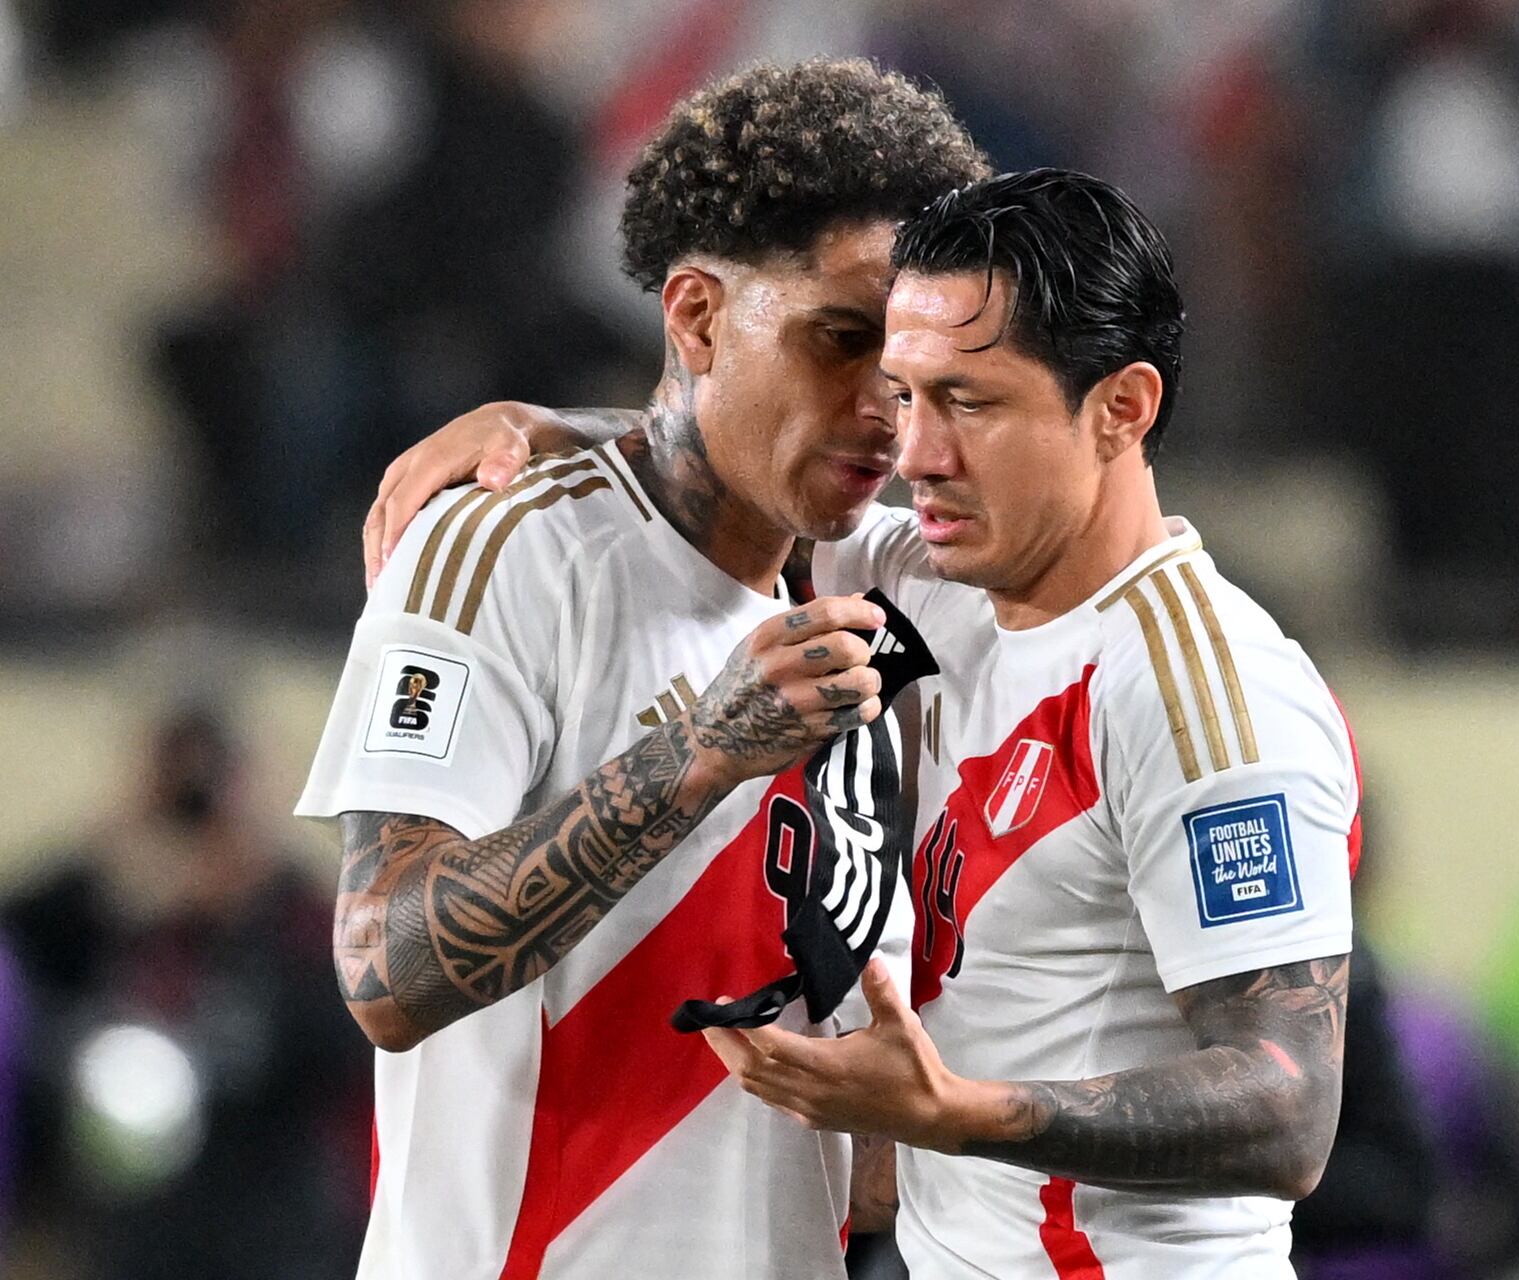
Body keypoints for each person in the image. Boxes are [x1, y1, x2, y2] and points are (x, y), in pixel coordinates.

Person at [375, 168, 1359, 1278]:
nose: (914, 451)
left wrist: (958, 1109)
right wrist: (551, 427)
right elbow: (735, 455)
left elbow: (1287, 1104)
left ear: (1122, 407)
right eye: (908, 390)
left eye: (971, 403)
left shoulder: (1199, 687)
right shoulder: (943, 582)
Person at [299, 59, 988, 1280]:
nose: (890, 410)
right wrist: (697, 755)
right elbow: (383, 967)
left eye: (916, 365)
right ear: (697, 316)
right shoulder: (504, 543)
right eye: (845, 341)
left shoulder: (884, 568)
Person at [1, 704, 367, 1280]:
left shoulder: (303, 922)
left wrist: (242, 900)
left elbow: (356, 1043)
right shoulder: (83, 909)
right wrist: (103, 869)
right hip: (120, 1246)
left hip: (277, 1244)